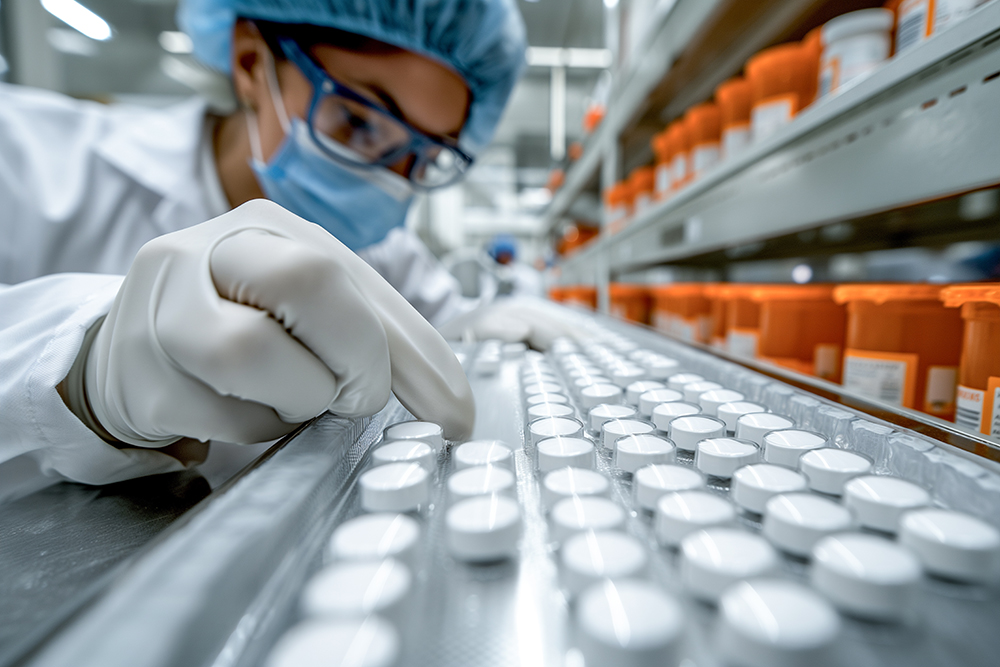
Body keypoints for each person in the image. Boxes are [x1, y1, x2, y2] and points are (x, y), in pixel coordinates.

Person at [0, 0, 565, 491]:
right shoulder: (27, 160)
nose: (389, 180)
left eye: (420, 157)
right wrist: (81, 373)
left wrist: (476, 325)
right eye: (360, 122)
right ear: (251, 63)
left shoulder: (383, 250)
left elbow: (436, 325)